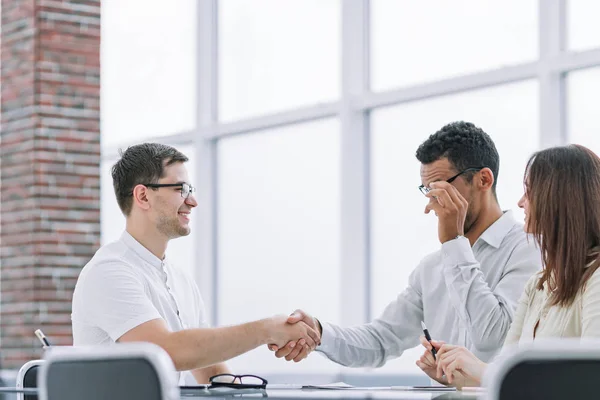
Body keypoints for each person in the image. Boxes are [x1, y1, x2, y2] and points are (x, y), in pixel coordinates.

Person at [268, 121, 542, 367]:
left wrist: (454, 242)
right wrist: (319, 332)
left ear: (483, 179)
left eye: (440, 187)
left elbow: (491, 338)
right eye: (427, 190)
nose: (431, 202)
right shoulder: (433, 267)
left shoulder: (528, 249)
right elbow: (381, 340)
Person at [71, 143, 320, 385]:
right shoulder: (109, 271)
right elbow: (164, 352)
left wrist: (282, 335)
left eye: (191, 189)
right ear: (143, 196)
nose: (192, 201)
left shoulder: (180, 279)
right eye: (181, 189)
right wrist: (267, 329)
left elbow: (211, 370)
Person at [416, 144, 600, 388]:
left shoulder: (595, 279)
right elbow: (505, 371)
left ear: (558, 199)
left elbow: (590, 381)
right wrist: (458, 372)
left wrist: (453, 241)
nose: (521, 202)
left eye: (530, 192)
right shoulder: (538, 285)